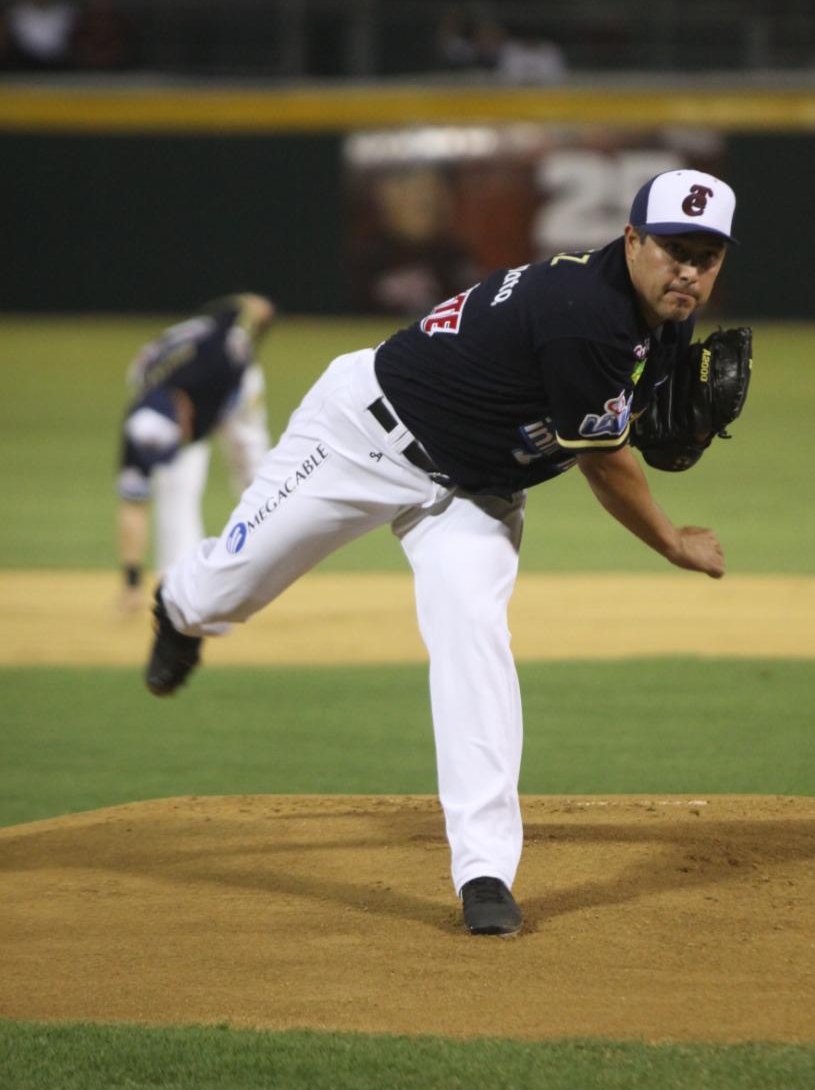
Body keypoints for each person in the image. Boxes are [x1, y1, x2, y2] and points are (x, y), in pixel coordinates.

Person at [144, 172, 736, 937]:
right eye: (672, 249)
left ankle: (484, 870)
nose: (688, 271)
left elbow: (626, 419)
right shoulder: (583, 313)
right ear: (631, 240)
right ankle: (178, 604)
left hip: (476, 493)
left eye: (707, 255)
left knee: (474, 641)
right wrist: (672, 539)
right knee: (229, 590)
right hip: (361, 437)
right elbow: (604, 458)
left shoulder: (664, 317)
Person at [116, 293, 275, 616]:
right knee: (177, 488)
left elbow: (249, 311)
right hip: (185, 404)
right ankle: (180, 582)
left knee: (258, 474)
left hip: (230, 399)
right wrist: (131, 580)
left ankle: (271, 542)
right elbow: (133, 504)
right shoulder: (142, 425)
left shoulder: (225, 366)